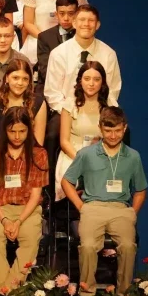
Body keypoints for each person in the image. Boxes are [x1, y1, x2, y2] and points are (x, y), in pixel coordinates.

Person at [61, 106, 147, 295]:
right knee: (88, 246)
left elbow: (141, 189)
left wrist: (132, 211)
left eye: (117, 130)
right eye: (108, 131)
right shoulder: (86, 154)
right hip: (92, 207)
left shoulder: (133, 156)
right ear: (100, 128)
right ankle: (87, 295)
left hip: (120, 208)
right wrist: (81, 206)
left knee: (127, 246)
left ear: (124, 128)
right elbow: (66, 181)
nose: (113, 135)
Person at [0, 106, 49, 293]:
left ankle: (7, 293)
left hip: (27, 210)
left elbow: (35, 195)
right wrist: (4, 220)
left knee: (31, 240)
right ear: (5, 130)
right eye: (12, 131)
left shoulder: (39, 154)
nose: (17, 136)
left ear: (29, 129)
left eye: (22, 131)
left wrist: (18, 221)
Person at [44, 5, 121, 114]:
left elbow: (113, 90)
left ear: (97, 25)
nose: (86, 24)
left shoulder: (108, 54)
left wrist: (101, 111)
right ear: (74, 23)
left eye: (91, 20)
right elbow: (52, 93)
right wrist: (70, 113)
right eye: (82, 20)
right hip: (64, 112)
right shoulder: (58, 54)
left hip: (99, 113)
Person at [54, 61, 108, 201]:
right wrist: (82, 159)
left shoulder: (109, 107)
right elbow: (64, 141)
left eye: (96, 79)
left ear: (102, 83)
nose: (91, 83)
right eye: (87, 79)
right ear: (80, 81)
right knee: (71, 180)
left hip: (101, 154)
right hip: (73, 154)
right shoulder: (70, 105)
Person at [0, 58, 47, 150]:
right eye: (15, 78)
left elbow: (38, 143)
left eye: (25, 79)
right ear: (7, 78)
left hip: (28, 156)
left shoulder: (38, 103)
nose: (20, 83)